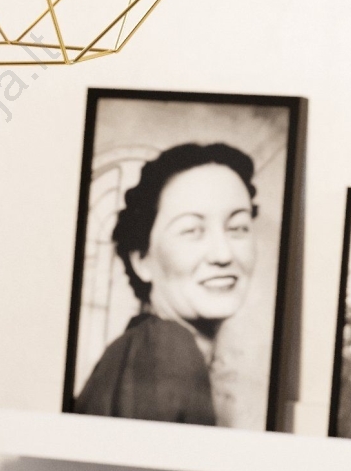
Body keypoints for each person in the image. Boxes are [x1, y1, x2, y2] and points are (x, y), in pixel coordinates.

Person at [76, 142, 257, 424]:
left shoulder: (142, 348)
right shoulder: (167, 349)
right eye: (192, 230)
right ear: (142, 260)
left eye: (238, 228)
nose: (223, 255)